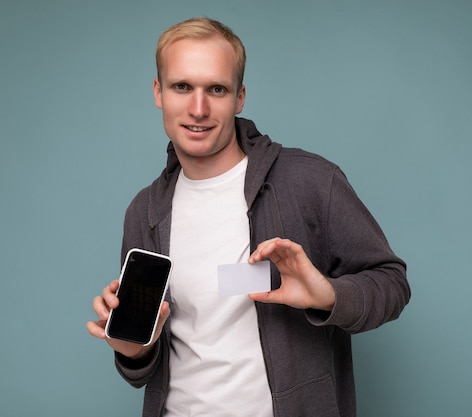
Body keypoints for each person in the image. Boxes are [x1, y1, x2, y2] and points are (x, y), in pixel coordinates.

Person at [86, 17, 410, 417]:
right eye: (182, 86)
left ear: (239, 98)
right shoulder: (146, 211)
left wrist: (327, 296)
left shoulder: (309, 181)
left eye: (216, 89)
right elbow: (142, 370)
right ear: (159, 92)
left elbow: (392, 283)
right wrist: (133, 348)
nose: (198, 108)